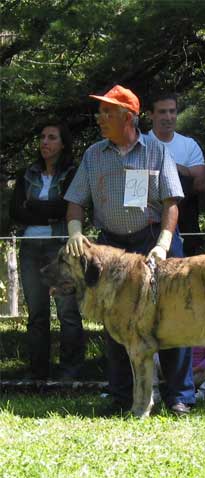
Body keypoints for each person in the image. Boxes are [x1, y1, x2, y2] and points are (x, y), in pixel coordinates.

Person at [63, 85, 195, 415]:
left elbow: (171, 202)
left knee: (172, 314)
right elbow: (75, 201)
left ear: (128, 117)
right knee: (115, 321)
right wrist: (75, 232)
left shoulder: (156, 150)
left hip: (155, 241)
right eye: (100, 112)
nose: (100, 118)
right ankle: (121, 396)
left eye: (107, 112)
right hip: (113, 247)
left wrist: (164, 244)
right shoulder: (93, 154)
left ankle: (179, 396)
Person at [9, 121, 85, 381]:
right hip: (30, 247)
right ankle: (38, 373)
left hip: (60, 246)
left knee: (67, 311)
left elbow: (66, 208)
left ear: (63, 143)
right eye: (42, 137)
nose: (45, 142)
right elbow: (16, 211)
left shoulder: (72, 172)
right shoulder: (27, 173)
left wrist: (34, 208)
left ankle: (70, 372)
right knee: (37, 313)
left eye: (52, 137)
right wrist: (47, 211)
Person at [147, 92, 205, 257]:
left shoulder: (189, 145)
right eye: (162, 112)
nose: (168, 116)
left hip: (186, 223)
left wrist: (168, 165)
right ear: (150, 114)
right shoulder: (141, 144)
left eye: (172, 111)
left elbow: (200, 183)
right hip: (149, 226)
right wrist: (185, 172)